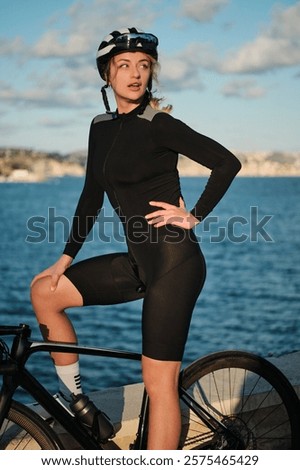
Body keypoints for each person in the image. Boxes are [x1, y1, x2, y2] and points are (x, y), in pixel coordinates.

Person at [30, 27, 241, 450]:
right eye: (124, 65)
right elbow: (92, 193)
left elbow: (226, 162)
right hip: (138, 262)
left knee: (157, 382)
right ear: (107, 73)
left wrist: (193, 215)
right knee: (44, 292)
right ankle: (79, 405)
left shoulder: (160, 124)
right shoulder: (101, 126)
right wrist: (66, 257)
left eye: (144, 66)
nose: (135, 74)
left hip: (175, 264)